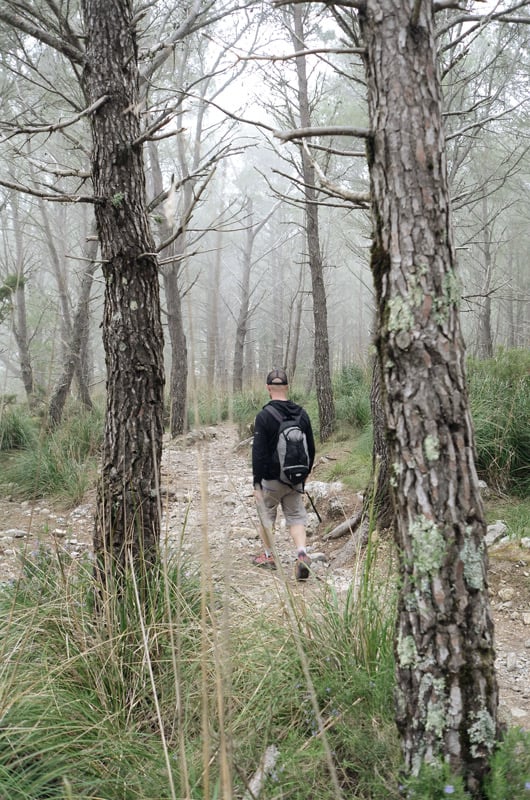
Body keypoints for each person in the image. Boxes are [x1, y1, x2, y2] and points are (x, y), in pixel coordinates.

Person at [252, 367, 316, 580]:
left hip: (271, 479)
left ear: (268, 388)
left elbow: (258, 453)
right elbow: (312, 448)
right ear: (287, 387)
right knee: (296, 516)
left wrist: (256, 484)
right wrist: (304, 475)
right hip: (295, 478)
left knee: (266, 515)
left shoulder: (264, 416)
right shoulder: (301, 413)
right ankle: (301, 553)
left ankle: (268, 556)